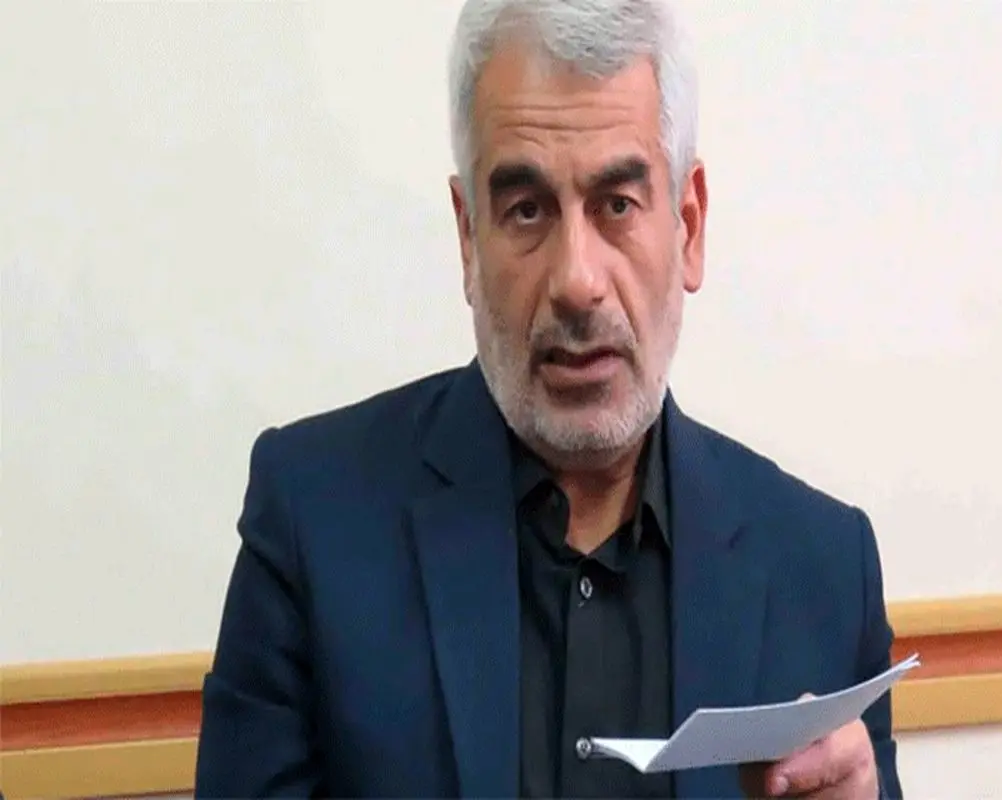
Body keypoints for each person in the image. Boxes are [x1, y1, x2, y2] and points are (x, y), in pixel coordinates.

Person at [194, 0, 902, 797]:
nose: (576, 281)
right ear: (469, 238)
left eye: (617, 205)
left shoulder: (824, 568)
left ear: (689, 225)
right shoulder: (311, 519)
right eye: (527, 210)